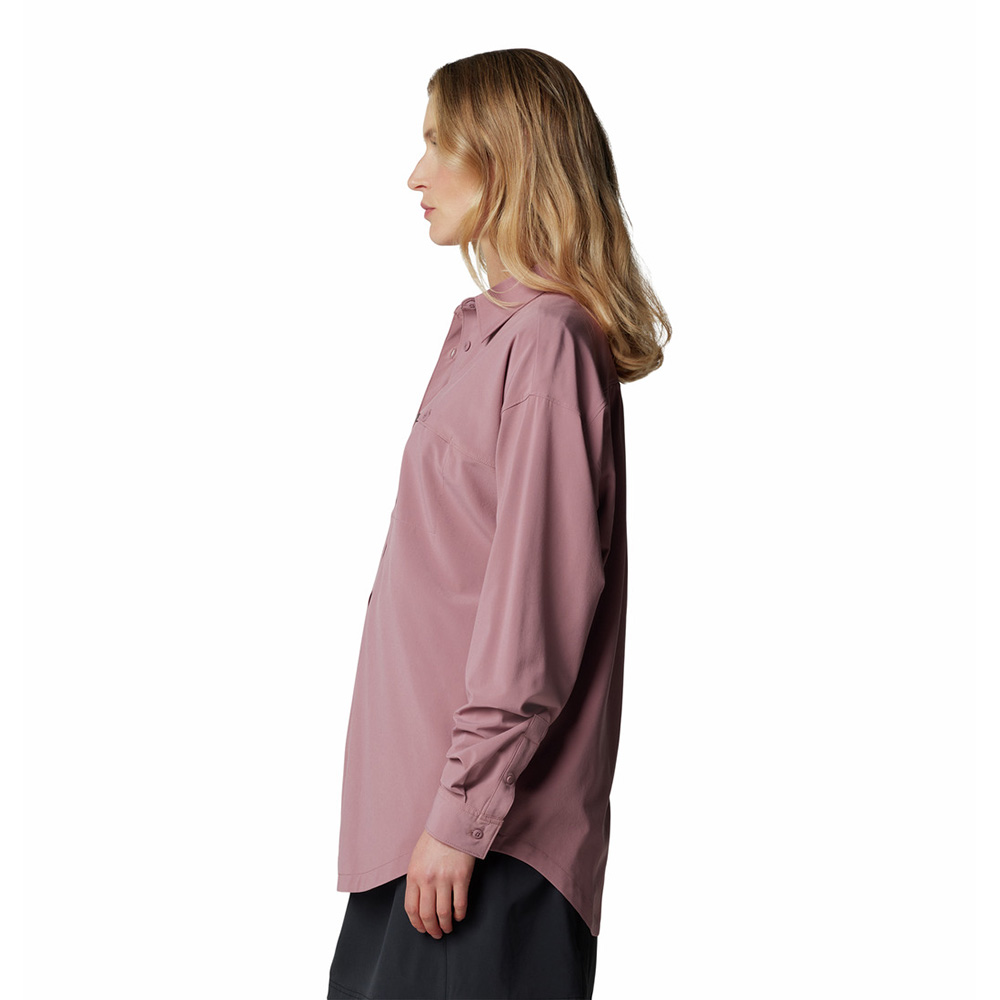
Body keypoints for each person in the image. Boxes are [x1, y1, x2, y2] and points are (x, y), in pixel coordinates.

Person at [326, 48, 670, 1000]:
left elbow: (534, 616)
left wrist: (462, 815)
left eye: (440, 144)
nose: (416, 174)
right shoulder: (491, 334)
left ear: (506, 158)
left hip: (482, 850)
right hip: (418, 838)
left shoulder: (550, 344)